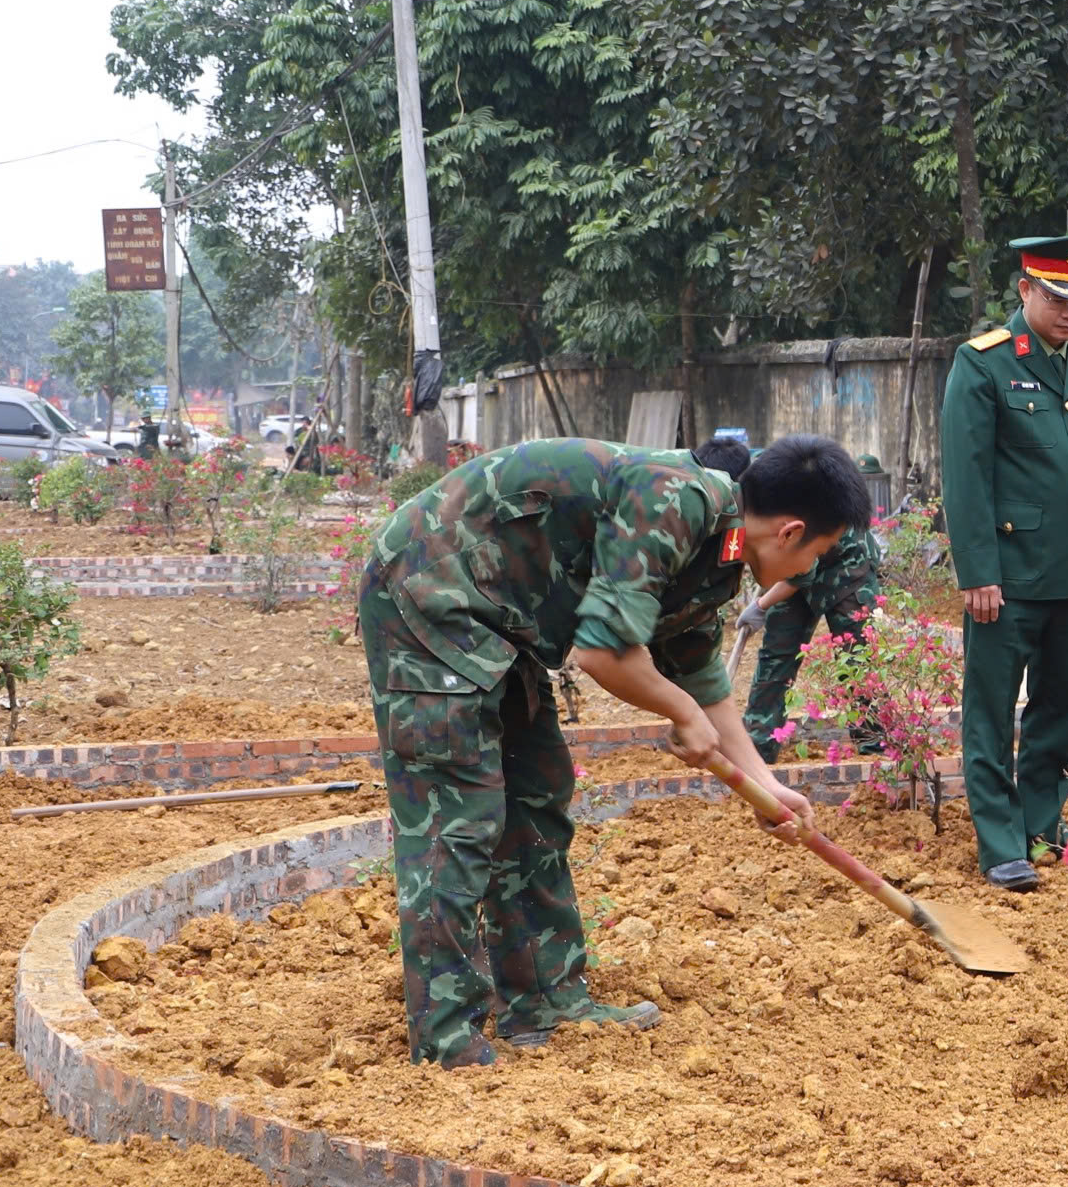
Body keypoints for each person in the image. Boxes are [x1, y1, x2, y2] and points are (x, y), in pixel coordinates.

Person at [358, 433, 868, 1066]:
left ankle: (544, 1000)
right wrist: (678, 712)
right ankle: (445, 1036)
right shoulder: (674, 500)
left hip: (498, 620)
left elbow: (701, 673)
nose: (807, 574)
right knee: (456, 815)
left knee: (537, 796)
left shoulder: (723, 547)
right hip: (428, 594)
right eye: (816, 553)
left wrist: (763, 783)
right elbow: (604, 656)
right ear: (790, 532)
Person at [940, 234, 1068, 892]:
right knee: (992, 711)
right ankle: (1000, 843)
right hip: (1008, 575)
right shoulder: (982, 364)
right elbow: (964, 476)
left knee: (1061, 706)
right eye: (1058, 296)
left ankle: (1041, 826)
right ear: (1025, 289)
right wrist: (976, 571)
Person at [736, 519, 883, 760]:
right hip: (795, 561)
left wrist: (761, 605)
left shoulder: (792, 506)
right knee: (776, 653)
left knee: (857, 657)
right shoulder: (753, 512)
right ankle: (758, 747)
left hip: (846, 563)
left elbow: (803, 573)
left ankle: (876, 748)